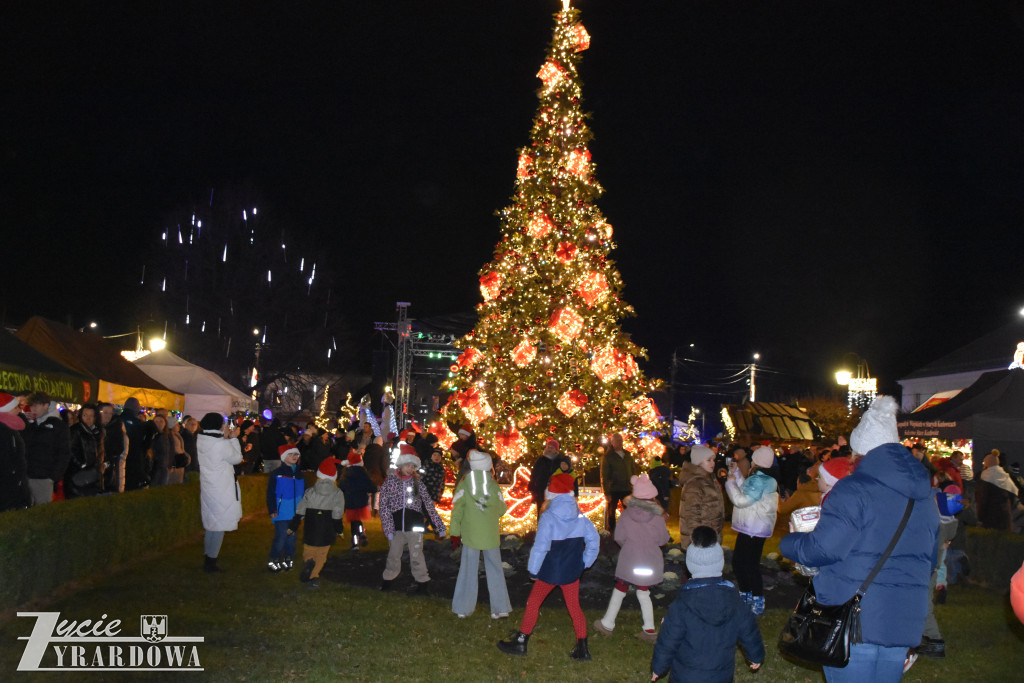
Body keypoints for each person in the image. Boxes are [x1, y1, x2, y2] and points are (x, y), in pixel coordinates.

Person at [780, 396, 939, 682]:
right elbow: (930, 560)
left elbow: (822, 549)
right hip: (904, 618)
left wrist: (789, 543)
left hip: (856, 620)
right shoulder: (925, 496)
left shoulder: (854, 489)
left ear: (861, 451)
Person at [497, 472, 599, 661]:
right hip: (571, 570)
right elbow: (594, 540)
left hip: (550, 570)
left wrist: (533, 570)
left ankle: (521, 642)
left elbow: (540, 547)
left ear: (550, 494)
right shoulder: (580, 516)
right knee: (574, 607)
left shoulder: (548, 517)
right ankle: (582, 647)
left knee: (533, 602)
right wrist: (585, 562)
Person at [650, 526, 764, 681]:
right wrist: (756, 655)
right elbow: (748, 629)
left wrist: (658, 667)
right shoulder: (734, 599)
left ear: (690, 565)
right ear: (720, 562)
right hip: (720, 676)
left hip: (686, 677)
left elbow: (669, 639)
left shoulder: (682, 603)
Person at [593, 473, 670, 641]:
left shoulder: (626, 515)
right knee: (644, 592)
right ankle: (649, 629)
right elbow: (663, 539)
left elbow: (619, 537)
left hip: (630, 559)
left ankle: (608, 623)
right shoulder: (658, 517)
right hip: (649, 562)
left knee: (620, 588)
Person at [450, 449, 512, 619]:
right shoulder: (493, 485)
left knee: (468, 569)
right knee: (495, 569)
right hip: (490, 535)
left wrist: (454, 532)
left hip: (470, 534)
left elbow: (457, 510)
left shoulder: (464, 484)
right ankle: (500, 608)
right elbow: (502, 509)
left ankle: (463, 608)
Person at [379, 444, 447, 593]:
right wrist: (388, 528)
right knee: (393, 555)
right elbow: (384, 506)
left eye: (413, 466)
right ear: (401, 465)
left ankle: (423, 582)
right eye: (407, 465)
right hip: (396, 527)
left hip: (414, 527)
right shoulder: (390, 483)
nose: (410, 468)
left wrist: (439, 527)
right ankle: (388, 580)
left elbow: (428, 505)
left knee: (417, 555)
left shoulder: (418, 483)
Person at [724, 445, 779, 616]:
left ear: (756, 461)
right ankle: (750, 597)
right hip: (755, 526)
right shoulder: (762, 479)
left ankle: (753, 598)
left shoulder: (758, 480)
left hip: (752, 528)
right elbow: (748, 492)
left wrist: (730, 482)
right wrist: (738, 475)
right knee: (746, 563)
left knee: (743, 564)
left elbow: (742, 500)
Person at [288, 456, 346, 589]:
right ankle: (313, 576)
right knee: (321, 554)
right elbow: (337, 514)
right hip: (327, 528)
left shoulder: (310, 491)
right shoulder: (337, 493)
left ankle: (308, 561)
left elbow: (300, 509)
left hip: (311, 526)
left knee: (309, 549)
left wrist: (293, 526)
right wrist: (339, 530)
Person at [197, 413, 243, 573]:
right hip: (222, 487)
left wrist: (225, 438)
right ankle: (211, 560)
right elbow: (237, 458)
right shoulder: (220, 444)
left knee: (211, 523)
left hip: (209, 486)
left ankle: (208, 556)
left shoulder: (202, 440)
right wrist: (233, 439)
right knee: (219, 524)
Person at [22, 391, 71, 505]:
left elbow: (64, 452)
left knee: (42, 510)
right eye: (31, 406)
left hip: (44, 477)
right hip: (28, 474)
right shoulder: (31, 424)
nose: (33, 409)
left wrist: (53, 477)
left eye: (36, 406)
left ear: (46, 405)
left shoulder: (58, 425)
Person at [676, 444, 724, 550]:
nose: (713, 463)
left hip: (710, 535)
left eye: (713, 460)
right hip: (700, 540)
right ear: (698, 462)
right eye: (709, 460)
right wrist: (701, 539)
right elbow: (691, 514)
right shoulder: (695, 484)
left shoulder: (709, 479)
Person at [266, 444, 305, 573]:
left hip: (295, 513)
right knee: (281, 537)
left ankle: (289, 558)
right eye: (291, 454)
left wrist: (303, 510)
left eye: (296, 454)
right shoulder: (277, 474)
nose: (294, 457)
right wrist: (272, 509)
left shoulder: (299, 474)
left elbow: (302, 494)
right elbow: (271, 493)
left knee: (292, 538)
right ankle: (274, 559)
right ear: (283, 457)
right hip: (281, 512)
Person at [65, 403, 105, 498]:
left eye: (91, 416)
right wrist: (82, 464)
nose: (88, 419)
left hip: (93, 474)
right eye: (85, 415)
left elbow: (100, 451)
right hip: (79, 474)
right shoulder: (75, 430)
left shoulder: (97, 432)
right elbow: (70, 450)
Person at [339, 448, 376, 549]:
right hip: (361, 501)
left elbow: (341, 486)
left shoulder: (347, 474)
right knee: (358, 520)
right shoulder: (363, 474)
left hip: (350, 502)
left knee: (353, 523)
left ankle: (355, 544)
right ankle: (361, 532)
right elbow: (372, 487)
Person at [0, 392, 30, 511]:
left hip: (13, 481)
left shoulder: (11, 427)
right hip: (7, 484)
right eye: (16, 407)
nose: (19, 410)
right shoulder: (4, 430)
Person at [601, 432, 636, 532]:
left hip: (627, 488)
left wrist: (634, 486)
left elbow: (633, 471)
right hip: (614, 489)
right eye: (617, 441)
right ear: (612, 442)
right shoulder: (608, 457)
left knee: (630, 512)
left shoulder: (628, 455)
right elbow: (604, 475)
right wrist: (606, 492)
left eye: (621, 440)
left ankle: (630, 532)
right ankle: (612, 533)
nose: (619, 443)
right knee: (611, 513)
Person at [976, 451, 1018, 530]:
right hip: (1005, 515)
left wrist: (980, 516)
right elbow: (1013, 494)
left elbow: (983, 499)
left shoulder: (986, 477)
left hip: (991, 516)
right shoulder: (1005, 476)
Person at [529, 437, 565, 515]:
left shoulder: (560, 461)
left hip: (555, 493)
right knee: (541, 513)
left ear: (556, 450)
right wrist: (533, 486)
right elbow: (534, 473)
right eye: (548, 447)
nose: (549, 449)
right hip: (541, 492)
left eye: (552, 448)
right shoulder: (541, 460)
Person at [120, 397, 149, 490]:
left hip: (120, 456)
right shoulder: (138, 423)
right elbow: (142, 443)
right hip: (134, 458)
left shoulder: (118, 419)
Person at [98, 402, 126, 493]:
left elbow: (119, 449)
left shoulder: (116, 428)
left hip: (109, 469)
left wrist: (106, 463)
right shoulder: (94, 428)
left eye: (110, 413)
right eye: (105, 412)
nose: (108, 416)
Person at [147, 414, 171, 486]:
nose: (159, 423)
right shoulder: (151, 435)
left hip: (164, 467)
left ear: (165, 423)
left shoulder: (167, 436)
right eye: (156, 421)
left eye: (161, 421)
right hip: (154, 467)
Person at [166, 416, 190, 484]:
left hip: (179, 462)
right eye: (176, 424)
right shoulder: (170, 436)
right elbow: (172, 450)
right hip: (174, 464)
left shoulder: (177, 434)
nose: (179, 426)